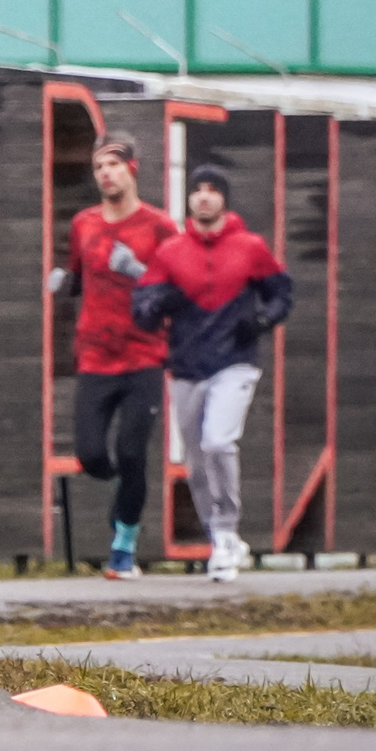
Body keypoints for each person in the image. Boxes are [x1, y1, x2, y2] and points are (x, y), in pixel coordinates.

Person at [129, 165, 291, 582]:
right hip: (185, 367)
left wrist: (261, 320)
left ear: (224, 199)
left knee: (219, 440)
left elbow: (282, 292)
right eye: (197, 190)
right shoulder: (171, 252)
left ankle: (225, 531)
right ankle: (218, 536)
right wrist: (156, 303)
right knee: (196, 460)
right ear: (188, 200)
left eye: (212, 190)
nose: (204, 197)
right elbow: (143, 304)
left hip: (235, 363)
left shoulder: (250, 247)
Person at [46, 131, 177, 579]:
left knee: (133, 452)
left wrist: (137, 271)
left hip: (144, 355)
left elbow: (176, 290)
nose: (105, 174)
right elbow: (78, 276)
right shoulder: (84, 223)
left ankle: (123, 545)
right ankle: (124, 486)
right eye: (99, 167)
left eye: (113, 165)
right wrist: (62, 281)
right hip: (96, 356)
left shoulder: (160, 227)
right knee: (90, 455)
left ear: (132, 169)